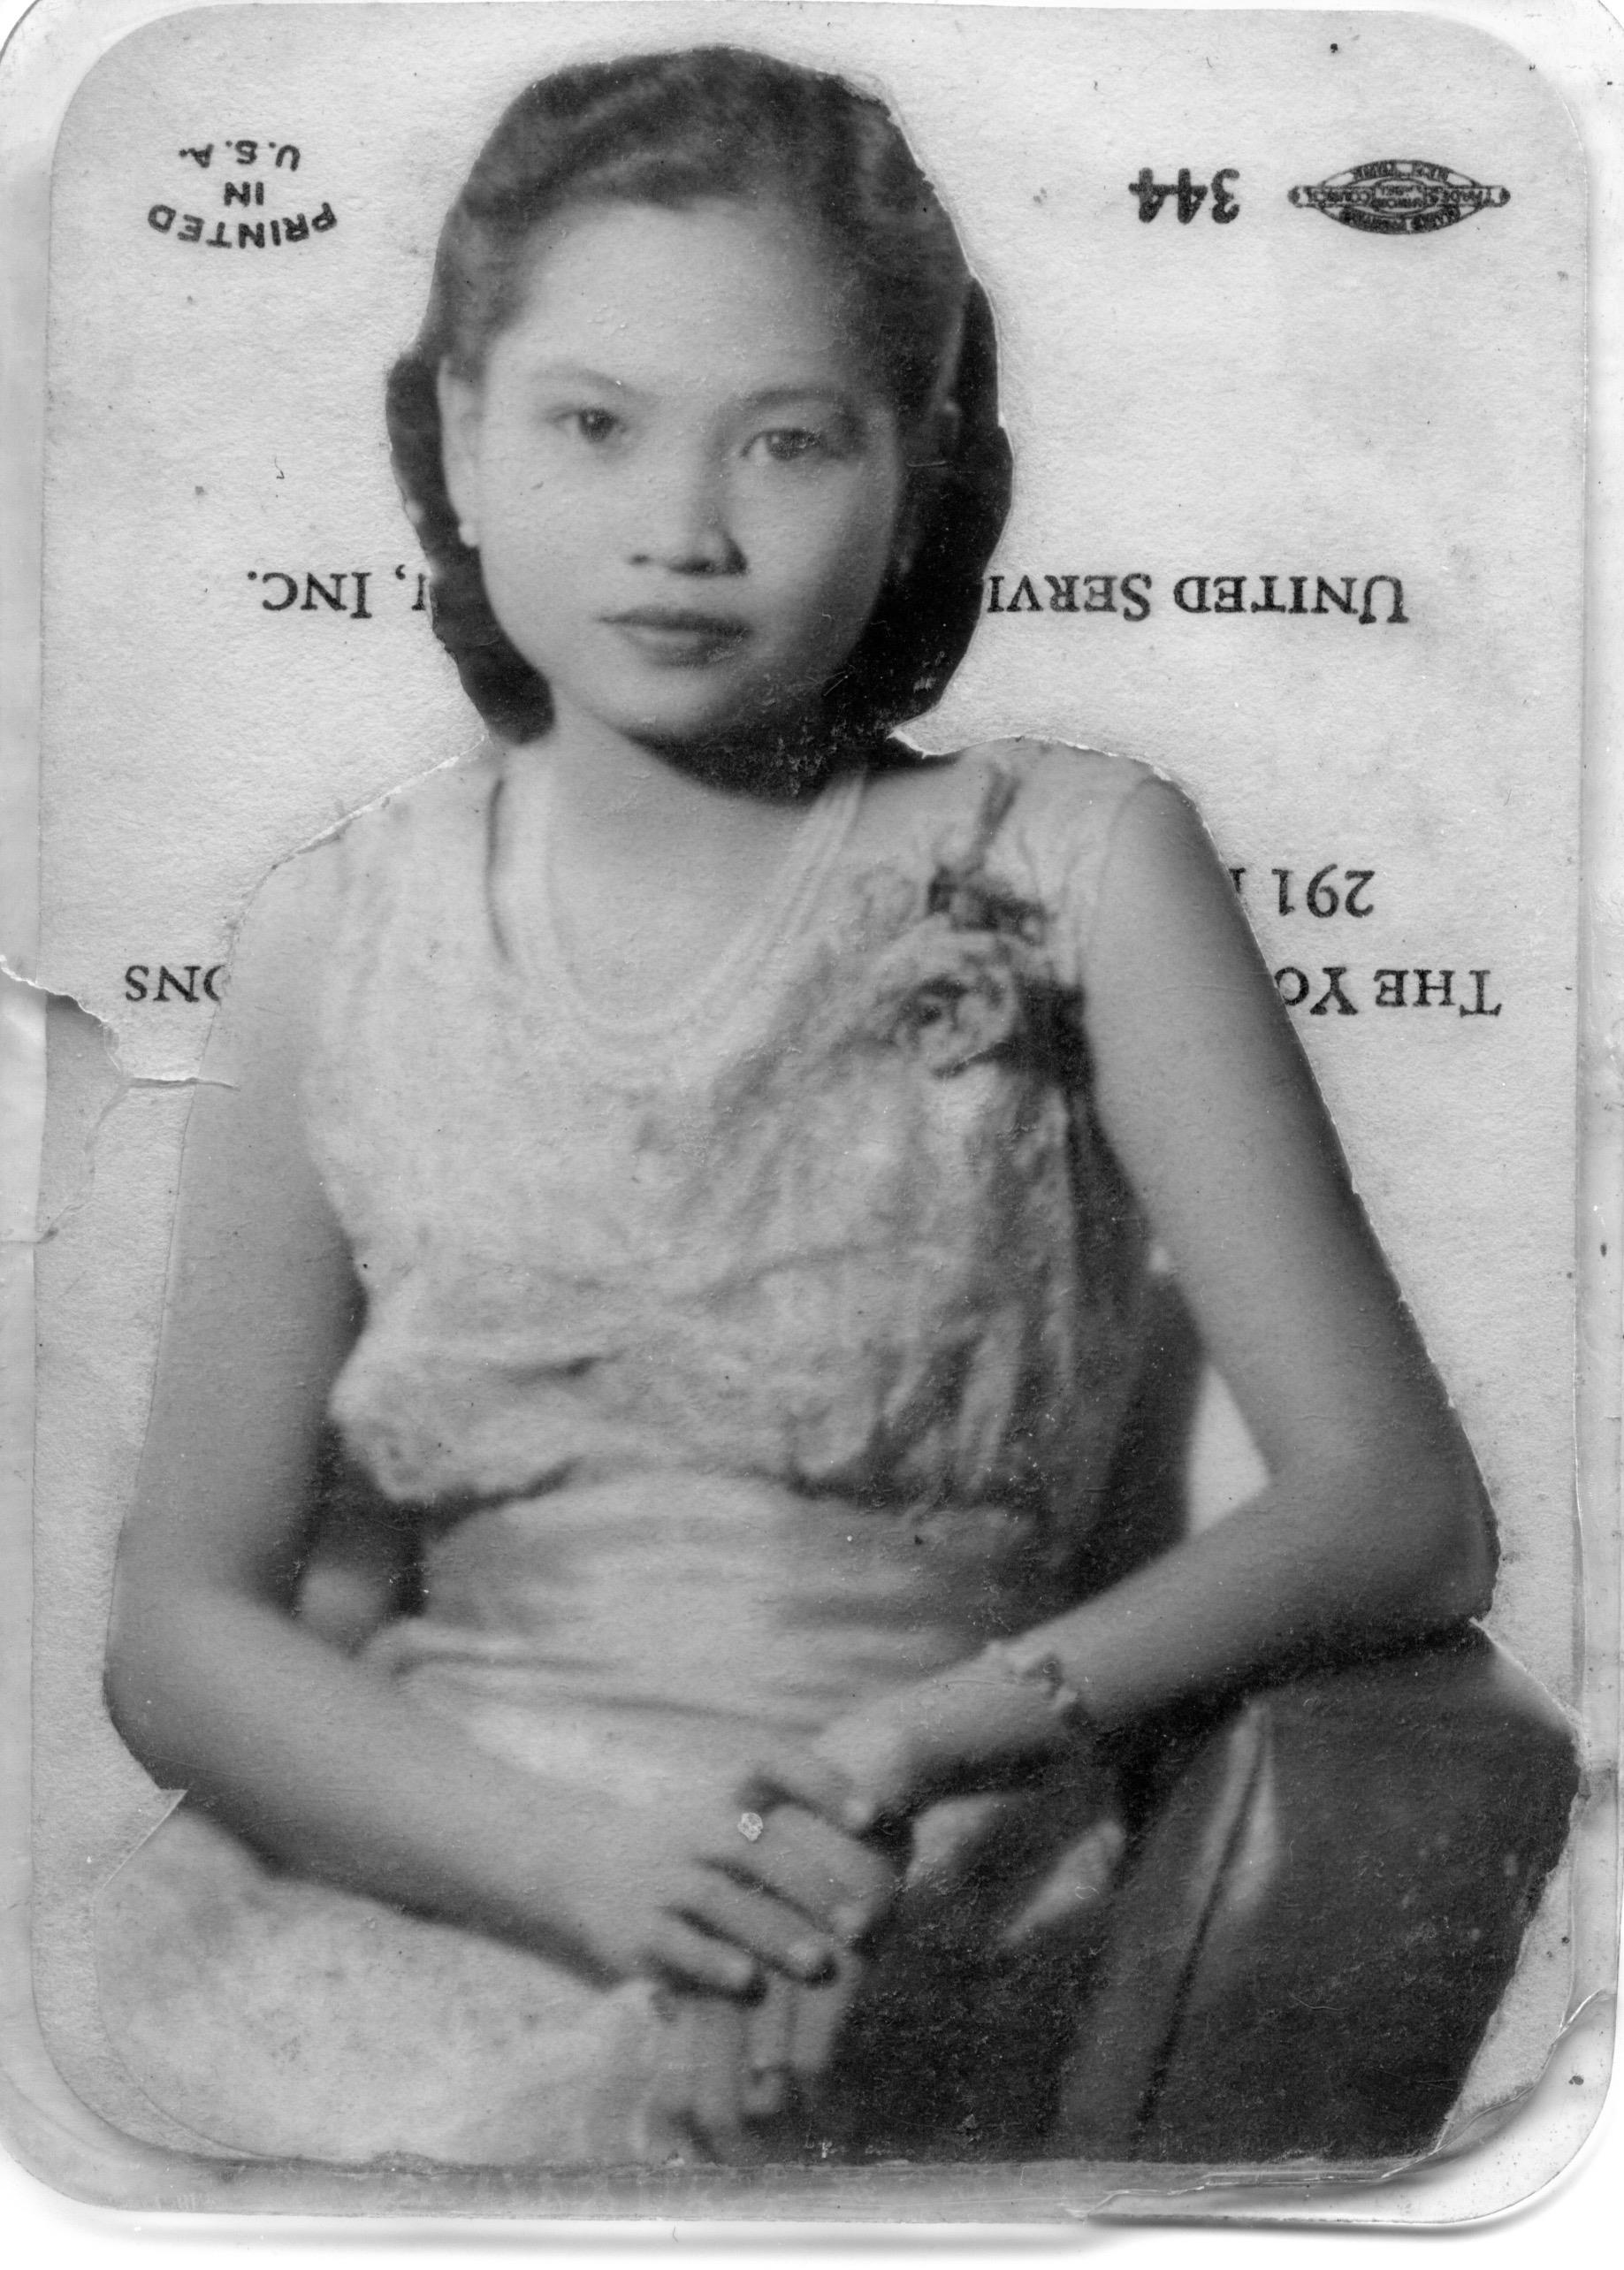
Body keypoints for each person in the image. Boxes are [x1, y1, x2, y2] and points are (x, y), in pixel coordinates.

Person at [95, 46, 1572, 2173]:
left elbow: (1393, 1509)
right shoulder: (328, 929)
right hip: (452, 1870)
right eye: (591, 428)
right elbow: (182, 1623)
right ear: (458, 441)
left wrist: (908, 1748)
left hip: (918, 1857)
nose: (682, 533)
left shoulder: (1080, 858)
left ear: (919, 469)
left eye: (790, 444)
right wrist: (584, 1874)